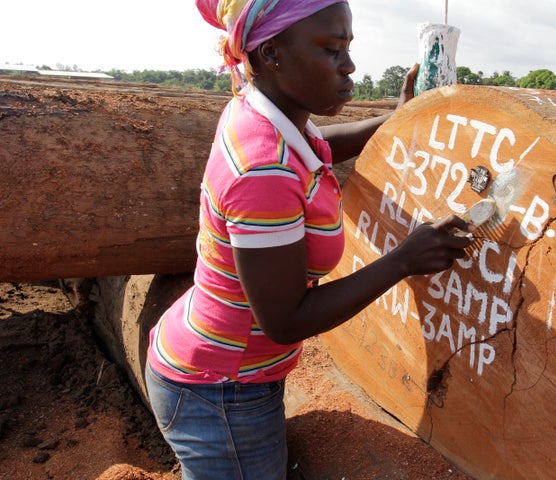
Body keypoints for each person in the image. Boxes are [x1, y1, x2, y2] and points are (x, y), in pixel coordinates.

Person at [144, 1, 474, 479]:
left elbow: (322, 145)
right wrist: (402, 260)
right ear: (273, 53)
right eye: (331, 49)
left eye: (348, 47)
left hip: (224, 369)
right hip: (221, 391)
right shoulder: (264, 169)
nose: (350, 65)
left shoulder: (267, 114)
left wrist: (395, 120)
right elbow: (285, 320)